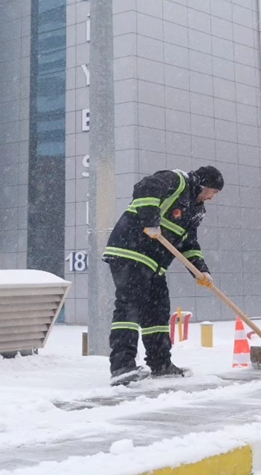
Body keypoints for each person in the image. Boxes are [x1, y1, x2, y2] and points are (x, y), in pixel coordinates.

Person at [104, 165, 224, 385]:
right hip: (130, 251)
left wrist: (201, 270)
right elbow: (146, 187)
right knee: (130, 306)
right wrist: (151, 221)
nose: (212, 197)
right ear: (204, 185)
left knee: (157, 311)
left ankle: (160, 364)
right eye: (213, 191)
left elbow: (189, 243)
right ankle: (122, 366)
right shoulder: (177, 181)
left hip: (154, 263)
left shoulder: (196, 210)